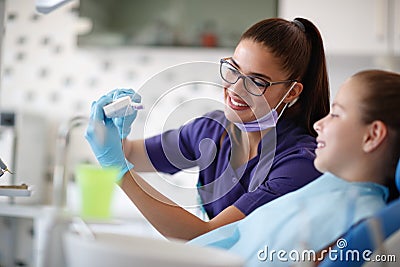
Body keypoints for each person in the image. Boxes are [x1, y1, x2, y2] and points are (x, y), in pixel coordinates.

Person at [85, 17, 330, 240]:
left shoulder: (300, 163)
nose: (235, 89)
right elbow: (131, 155)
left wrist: (119, 171)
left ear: (292, 92)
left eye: (256, 81)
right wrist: (116, 135)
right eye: (233, 70)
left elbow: (206, 234)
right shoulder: (212, 130)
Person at [188, 69, 400, 266]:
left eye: (336, 114)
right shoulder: (327, 187)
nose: (319, 125)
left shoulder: (356, 219)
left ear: (372, 136)